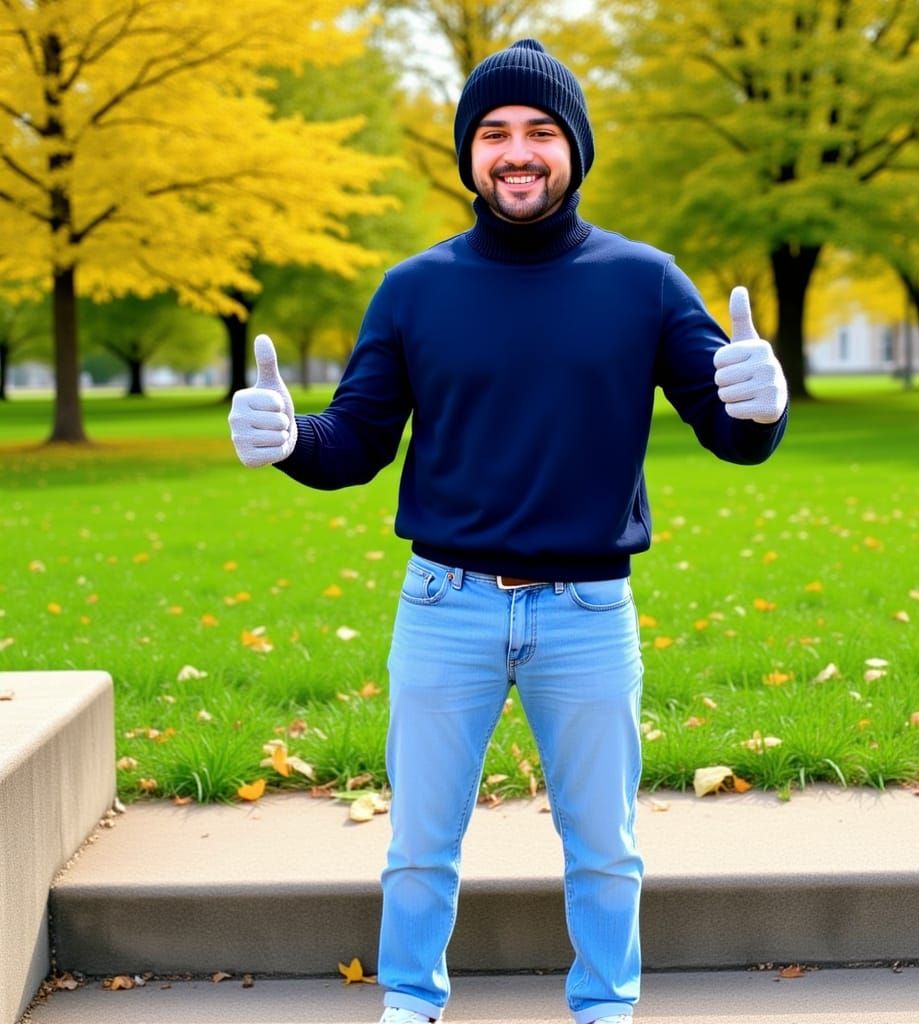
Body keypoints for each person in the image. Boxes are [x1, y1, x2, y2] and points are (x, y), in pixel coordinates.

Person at [228, 38, 787, 1024]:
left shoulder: (646, 282)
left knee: (604, 843)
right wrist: (285, 440)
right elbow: (351, 444)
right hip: (445, 605)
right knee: (419, 840)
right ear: (468, 155)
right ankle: (408, 999)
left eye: (539, 131)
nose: (516, 151)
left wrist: (759, 405)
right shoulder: (413, 289)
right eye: (494, 133)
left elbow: (729, 432)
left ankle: (605, 1004)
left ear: (573, 148)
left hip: (587, 610)